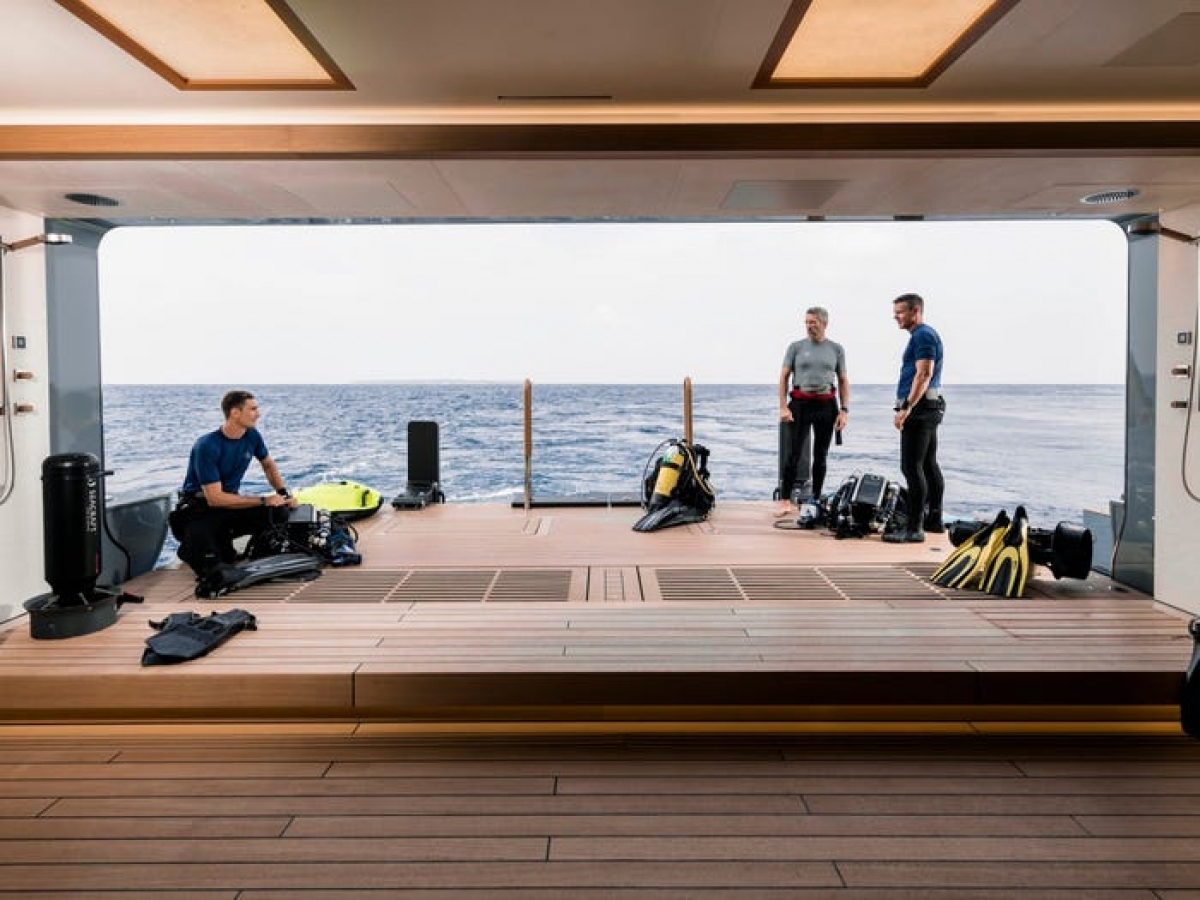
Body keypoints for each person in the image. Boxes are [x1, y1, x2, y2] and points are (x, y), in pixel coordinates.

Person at [170, 390, 297, 575]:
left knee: (279, 512)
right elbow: (214, 499)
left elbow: (268, 465)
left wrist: (284, 494)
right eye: (252, 409)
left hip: (228, 508)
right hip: (200, 510)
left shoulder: (252, 436)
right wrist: (263, 500)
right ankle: (193, 546)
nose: (258, 413)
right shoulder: (206, 446)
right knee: (214, 568)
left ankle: (250, 548)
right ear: (235, 413)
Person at [883, 292, 945, 543]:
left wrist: (906, 407)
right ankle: (934, 521)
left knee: (911, 467)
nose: (895, 316)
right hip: (928, 406)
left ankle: (914, 529)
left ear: (915, 312)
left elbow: (924, 373)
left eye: (900, 312)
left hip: (920, 409)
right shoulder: (922, 335)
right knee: (928, 465)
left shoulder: (923, 335)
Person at [776, 306, 850, 517]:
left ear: (824, 323)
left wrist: (844, 410)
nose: (809, 326)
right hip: (800, 404)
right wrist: (783, 407)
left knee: (821, 455)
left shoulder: (836, 349)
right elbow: (783, 377)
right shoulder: (796, 347)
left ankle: (815, 498)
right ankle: (784, 500)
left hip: (827, 406)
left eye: (813, 322)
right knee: (793, 454)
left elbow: (844, 380)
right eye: (807, 322)